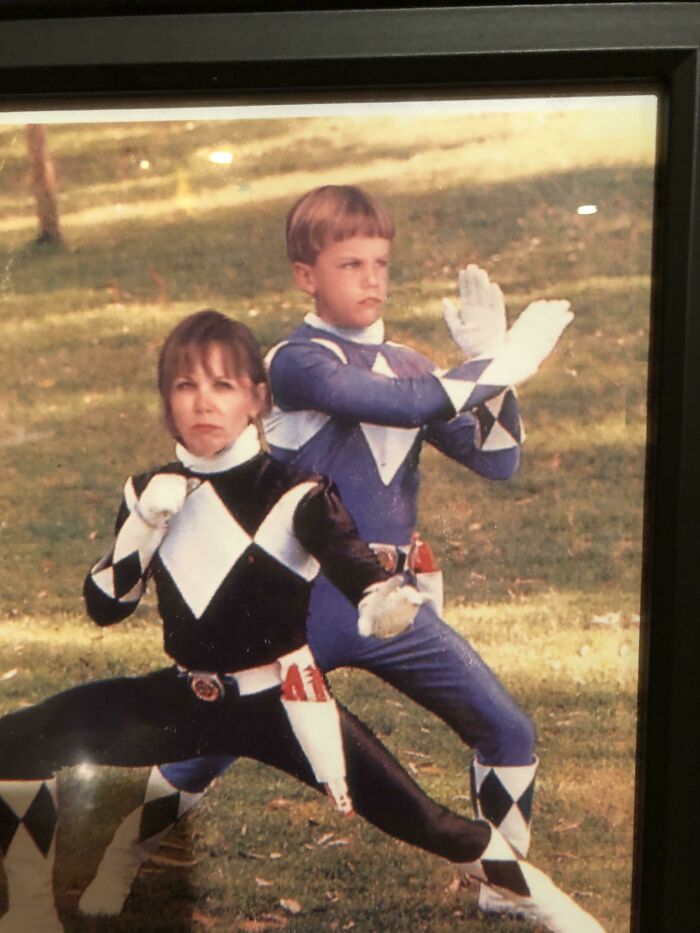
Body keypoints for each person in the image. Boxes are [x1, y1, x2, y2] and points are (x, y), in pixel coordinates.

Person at [0, 310, 603, 933]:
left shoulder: (299, 492)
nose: (203, 402)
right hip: (185, 699)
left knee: (431, 823)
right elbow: (106, 607)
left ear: (257, 398)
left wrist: (383, 601)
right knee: (13, 743)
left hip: (284, 705)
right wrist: (144, 528)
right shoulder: (147, 489)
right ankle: (29, 912)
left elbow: (359, 572)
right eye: (185, 386)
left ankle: (561, 910)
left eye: (222, 385)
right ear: (165, 403)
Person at [79, 186, 578, 922]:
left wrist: (487, 368)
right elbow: (409, 405)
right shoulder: (294, 362)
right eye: (350, 264)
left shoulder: (409, 363)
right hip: (300, 603)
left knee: (506, 728)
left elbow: (497, 459)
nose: (371, 279)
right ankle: (119, 857)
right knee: (203, 753)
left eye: (380, 262)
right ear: (305, 276)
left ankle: (505, 887)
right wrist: (506, 362)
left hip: (385, 601)